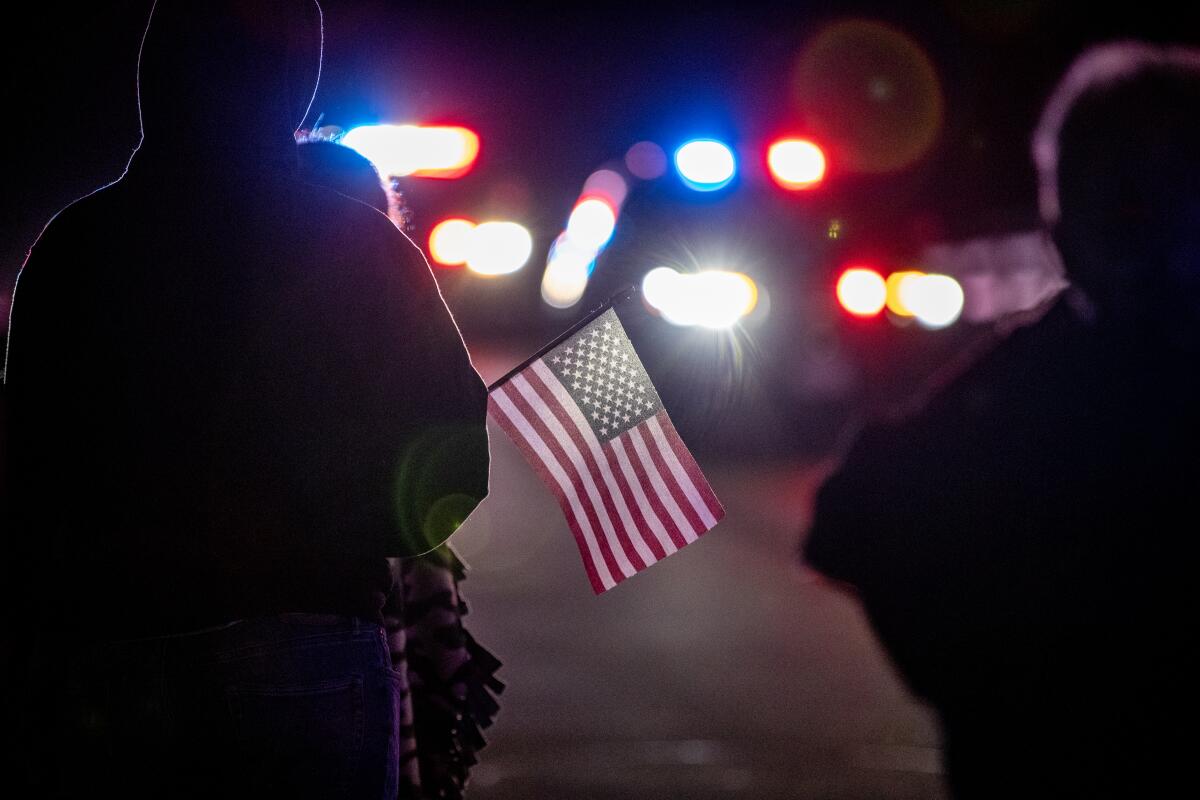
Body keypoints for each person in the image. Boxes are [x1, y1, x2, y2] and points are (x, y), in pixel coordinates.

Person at [3, 2, 489, 797]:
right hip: (311, 639)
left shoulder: (75, 245)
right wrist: (340, 546)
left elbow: (28, 468)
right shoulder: (360, 244)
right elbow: (454, 458)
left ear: (153, 73)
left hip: (113, 654)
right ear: (296, 81)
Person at [803, 43, 1200, 798]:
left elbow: (856, 520)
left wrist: (972, 682)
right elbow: (856, 518)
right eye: (1121, 195)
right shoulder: (1029, 382)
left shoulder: (1021, 381)